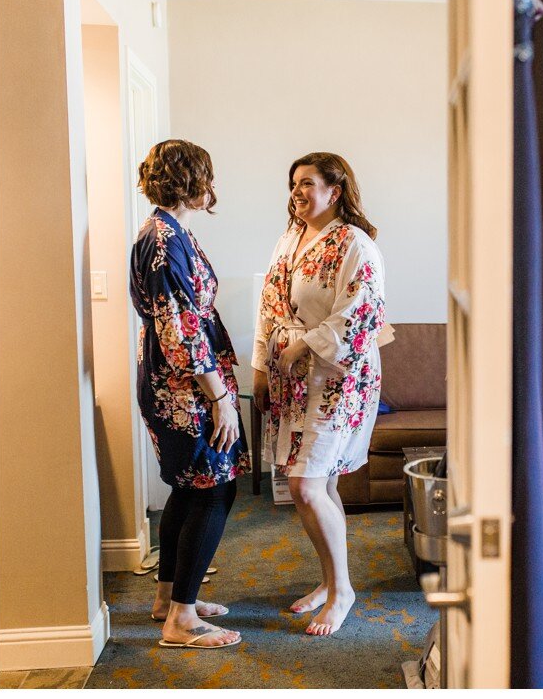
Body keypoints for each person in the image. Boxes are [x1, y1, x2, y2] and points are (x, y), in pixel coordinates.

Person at [253, 152, 391, 636]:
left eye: (307, 183)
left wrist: (302, 347)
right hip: (292, 377)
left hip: (340, 378)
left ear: (335, 190)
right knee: (322, 482)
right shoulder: (290, 239)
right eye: (294, 182)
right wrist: (260, 368)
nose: (297, 191)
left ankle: (343, 591)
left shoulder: (355, 244)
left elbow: (361, 315)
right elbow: (268, 307)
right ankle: (329, 581)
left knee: (305, 486)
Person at [130, 139, 248, 650]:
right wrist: (220, 397)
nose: (213, 189)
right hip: (184, 389)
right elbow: (180, 331)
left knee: (188, 486)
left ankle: (169, 599)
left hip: (178, 384)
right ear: (189, 180)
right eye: (208, 177)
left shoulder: (169, 232)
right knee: (213, 488)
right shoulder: (163, 240)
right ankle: (182, 621)